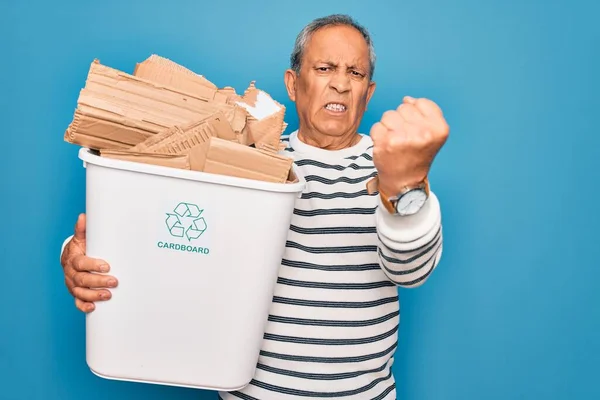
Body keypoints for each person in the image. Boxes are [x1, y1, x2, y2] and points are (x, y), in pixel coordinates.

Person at [60, 13, 449, 400]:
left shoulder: (394, 166)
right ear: (293, 84)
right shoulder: (245, 158)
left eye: (356, 74)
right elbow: (168, 225)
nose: (341, 84)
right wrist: (77, 255)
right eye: (325, 68)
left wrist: (404, 187)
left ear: (369, 91)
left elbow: (410, 270)